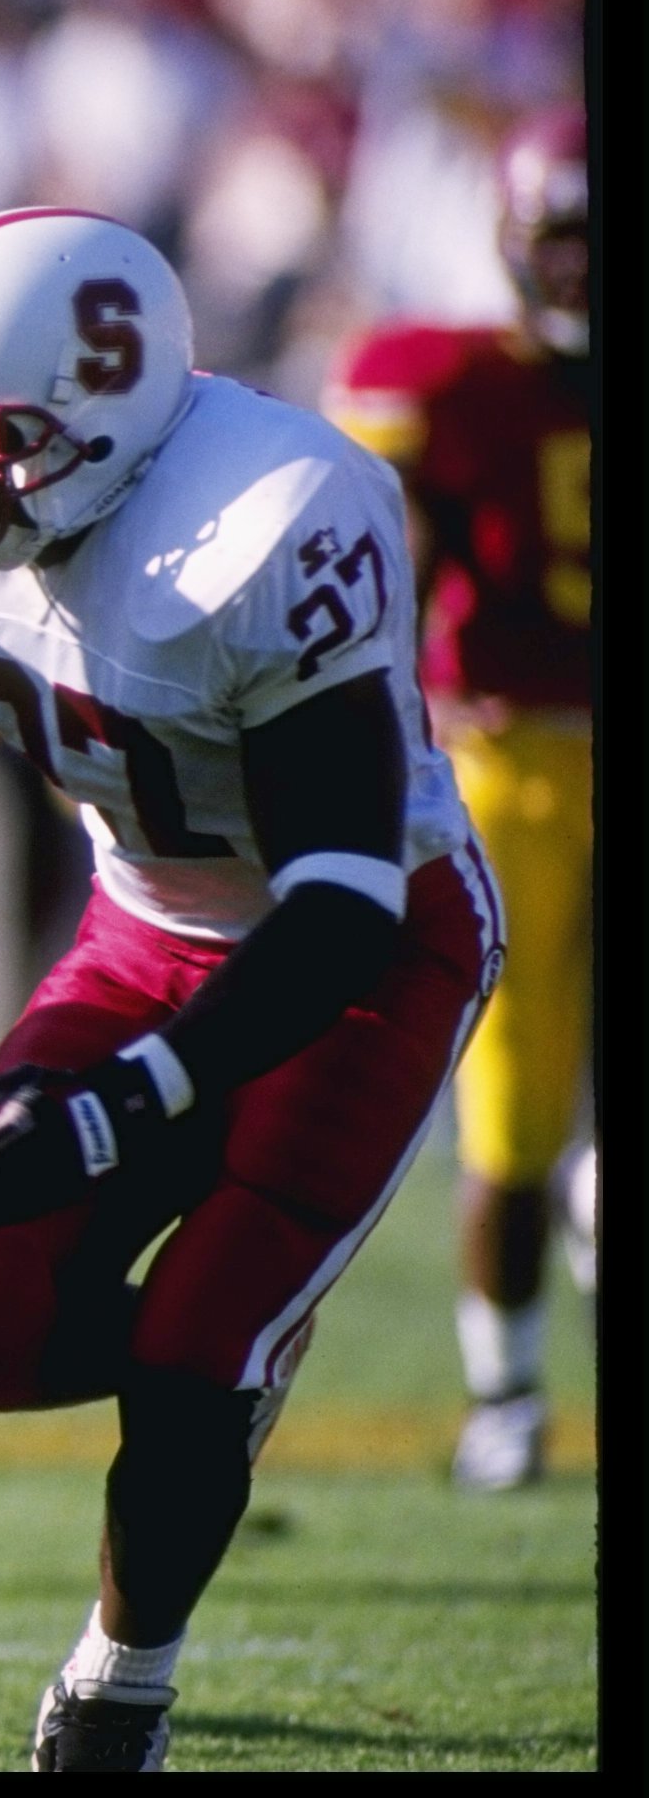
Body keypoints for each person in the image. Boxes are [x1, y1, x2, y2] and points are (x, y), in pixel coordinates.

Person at [0, 209, 494, 1772]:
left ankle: (123, 1678)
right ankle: (239, 1352)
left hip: (360, 944)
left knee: (193, 1360)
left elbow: (337, 902)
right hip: (143, 924)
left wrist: (134, 1103)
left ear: (100, 423)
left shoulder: (270, 520)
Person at [322, 106, 592, 1493]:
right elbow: (385, 549)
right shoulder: (443, 379)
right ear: (511, 241)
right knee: (512, 1122)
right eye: (563, 238)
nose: (582, 268)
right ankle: (506, 1388)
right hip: (514, 764)